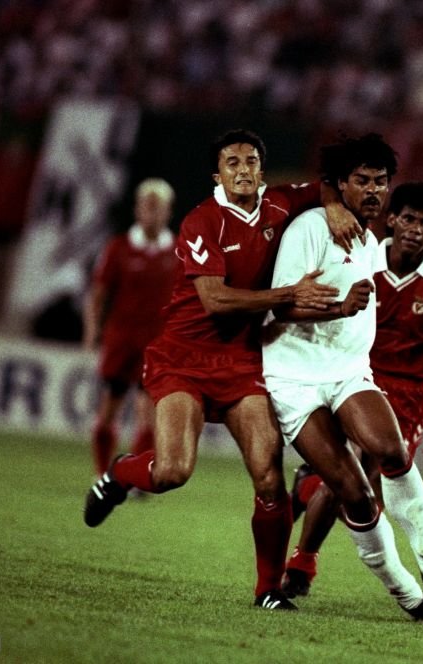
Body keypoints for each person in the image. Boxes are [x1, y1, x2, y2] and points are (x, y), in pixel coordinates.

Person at [82, 129, 363, 612]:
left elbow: (325, 182)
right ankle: (121, 475)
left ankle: (267, 590)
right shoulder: (201, 221)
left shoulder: (277, 204)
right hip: (183, 358)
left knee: (270, 480)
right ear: (218, 174)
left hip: (241, 362)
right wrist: (288, 294)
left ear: (261, 168)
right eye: (231, 162)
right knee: (172, 471)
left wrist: (334, 204)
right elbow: (215, 300)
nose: (242, 169)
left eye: (251, 161)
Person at [262, 134, 423, 625]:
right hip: (296, 377)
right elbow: (279, 306)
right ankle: (411, 596)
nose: (373, 190)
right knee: (353, 488)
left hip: (350, 373)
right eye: (362, 181)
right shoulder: (307, 229)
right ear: (340, 185)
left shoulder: (370, 242)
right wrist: (336, 308)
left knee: (392, 454)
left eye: (380, 181)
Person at [83, 178, 178, 479]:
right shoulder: (118, 248)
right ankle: (103, 475)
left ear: (168, 212)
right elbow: (98, 295)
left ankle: (135, 477)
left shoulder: (178, 252)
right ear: (137, 209)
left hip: (157, 343)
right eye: (147, 206)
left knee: (147, 414)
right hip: (121, 339)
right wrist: (92, 329)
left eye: (158, 208)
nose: (152, 213)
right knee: (109, 409)